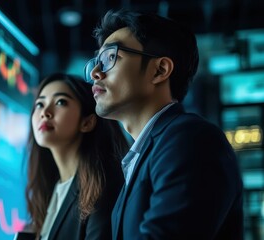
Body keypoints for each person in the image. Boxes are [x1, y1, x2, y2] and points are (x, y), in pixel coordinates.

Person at [84, 9, 244, 240]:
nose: (96, 73)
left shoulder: (190, 139)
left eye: (110, 57)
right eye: (96, 62)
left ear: (160, 70)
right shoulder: (142, 156)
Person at [23, 73, 129, 240]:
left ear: (87, 122)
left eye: (60, 102)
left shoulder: (103, 183)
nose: (45, 112)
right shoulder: (49, 190)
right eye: (39, 104)